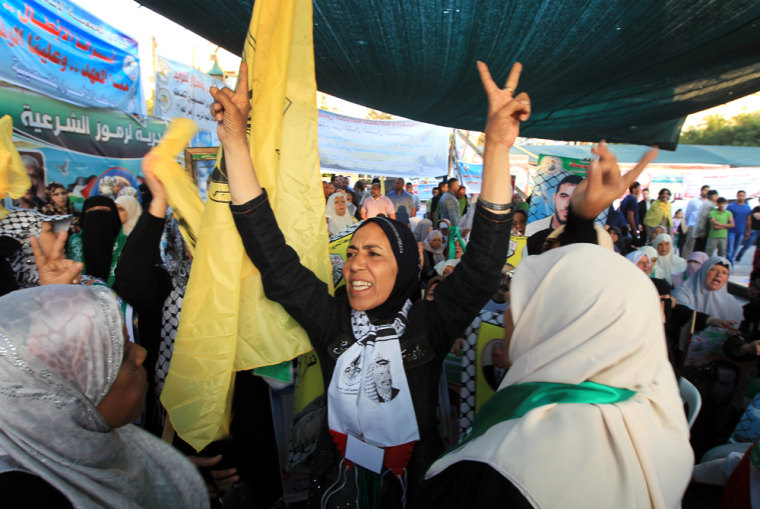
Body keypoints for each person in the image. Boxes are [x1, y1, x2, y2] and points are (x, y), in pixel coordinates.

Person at [209, 59, 524, 506]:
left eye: (374, 254)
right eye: (352, 252)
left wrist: (496, 148)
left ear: (405, 270)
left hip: (412, 489)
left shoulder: (428, 327)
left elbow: (484, 262)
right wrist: (234, 141)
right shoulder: (330, 319)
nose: (356, 264)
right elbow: (268, 249)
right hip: (333, 488)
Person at [417, 244, 693, 509]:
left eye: (521, 306)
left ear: (556, 321)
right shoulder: (660, 410)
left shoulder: (506, 461)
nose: (508, 319)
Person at [0, 285, 209, 508]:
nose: (141, 354)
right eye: (123, 355)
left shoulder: (77, 444)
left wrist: (165, 475)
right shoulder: (25, 496)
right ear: (69, 395)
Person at [66, 196, 127, 287]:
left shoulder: (125, 242)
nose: (98, 215)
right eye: (91, 211)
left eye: (104, 210)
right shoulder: (75, 241)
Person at [673, 257, 743, 325]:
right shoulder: (683, 293)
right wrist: (709, 320)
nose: (719, 275)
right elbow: (681, 313)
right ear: (704, 272)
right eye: (713, 269)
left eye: (724, 273)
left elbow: (739, 323)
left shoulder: (730, 301)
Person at [525, 174, 583, 254]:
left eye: (575, 198)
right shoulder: (533, 229)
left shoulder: (591, 237)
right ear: (555, 198)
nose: (567, 204)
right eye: (564, 196)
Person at [683, 185, 710, 257]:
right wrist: (689, 224)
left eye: (708, 191)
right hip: (693, 226)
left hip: (704, 228)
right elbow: (687, 213)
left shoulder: (709, 203)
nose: (707, 192)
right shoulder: (694, 201)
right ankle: (685, 261)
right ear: (701, 191)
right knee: (690, 245)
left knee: (700, 247)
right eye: (705, 190)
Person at [726, 190, 751, 263]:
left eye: (743, 195)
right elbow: (727, 218)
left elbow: (748, 220)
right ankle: (729, 263)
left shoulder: (747, 207)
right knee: (730, 249)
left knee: (735, 249)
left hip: (741, 231)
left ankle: (730, 261)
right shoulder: (731, 206)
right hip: (731, 231)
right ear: (737, 196)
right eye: (740, 195)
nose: (741, 197)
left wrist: (748, 231)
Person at [619, 181, 642, 245]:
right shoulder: (632, 200)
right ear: (634, 189)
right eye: (638, 188)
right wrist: (634, 230)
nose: (640, 190)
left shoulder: (627, 198)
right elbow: (630, 216)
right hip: (630, 229)